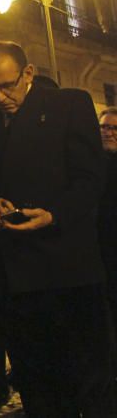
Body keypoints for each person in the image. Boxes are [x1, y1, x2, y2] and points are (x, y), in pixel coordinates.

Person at [0, 41, 115, 416]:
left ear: (28, 74)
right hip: (13, 279)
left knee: (90, 383)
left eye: (7, 86)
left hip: (67, 270)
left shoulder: (69, 106)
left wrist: (53, 214)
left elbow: (89, 179)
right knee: (37, 385)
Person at [98, 106, 117, 323]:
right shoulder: (91, 165)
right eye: (104, 127)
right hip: (100, 252)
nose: (108, 132)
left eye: (114, 128)